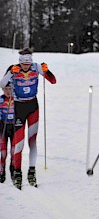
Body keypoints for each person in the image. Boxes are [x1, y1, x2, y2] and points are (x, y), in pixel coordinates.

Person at [0, 48, 56, 189]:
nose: (26, 67)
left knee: (32, 140)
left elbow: (53, 81)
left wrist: (46, 71)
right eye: (23, 64)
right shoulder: (13, 68)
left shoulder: (36, 67)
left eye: (28, 64)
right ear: (20, 62)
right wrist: (10, 74)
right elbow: (2, 84)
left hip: (32, 106)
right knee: (19, 142)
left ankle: (32, 171)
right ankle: (17, 173)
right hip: (18, 107)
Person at [0, 82, 15, 183]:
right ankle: (2, 172)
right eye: (6, 89)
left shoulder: (16, 99)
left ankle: (13, 169)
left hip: (14, 127)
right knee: (3, 152)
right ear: (3, 90)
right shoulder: (0, 100)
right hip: (3, 127)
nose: (8, 91)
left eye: (10, 89)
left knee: (14, 151)